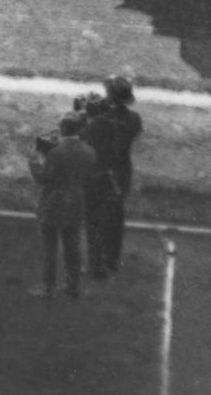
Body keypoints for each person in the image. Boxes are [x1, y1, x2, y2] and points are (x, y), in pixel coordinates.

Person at [29, 114, 98, 299]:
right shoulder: (90, 151)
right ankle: (73, 287)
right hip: (76, 201)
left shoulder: (55, 153)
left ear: (62, 130)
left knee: (50, 247)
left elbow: (42, 178)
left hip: (54, 201)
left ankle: (48, 287)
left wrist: (34, 158)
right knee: (72, 246)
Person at [83, 77, 143, 279]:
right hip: (122, 173)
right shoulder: (134, 119)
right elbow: (124, 126)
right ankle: (112, 260)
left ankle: (96, 265)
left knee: (95, 220)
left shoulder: (97, 122)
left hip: (98, 172)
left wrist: (90, 113)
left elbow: (85, 135)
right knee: (115, 218)